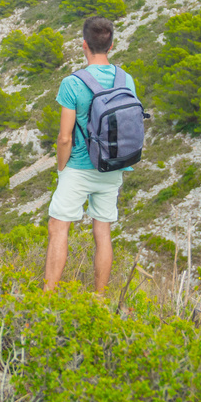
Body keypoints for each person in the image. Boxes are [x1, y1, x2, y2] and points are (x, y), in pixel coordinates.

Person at [43, 16, 137, 293]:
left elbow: (64, 137)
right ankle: (99, 297)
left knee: (58, 229)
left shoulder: (72, 84)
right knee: (103, 233)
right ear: (111, 44)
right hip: (112, 166)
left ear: (84, 44)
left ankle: (47, 297)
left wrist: (62, 169)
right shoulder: (126, 78)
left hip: (79, 168)